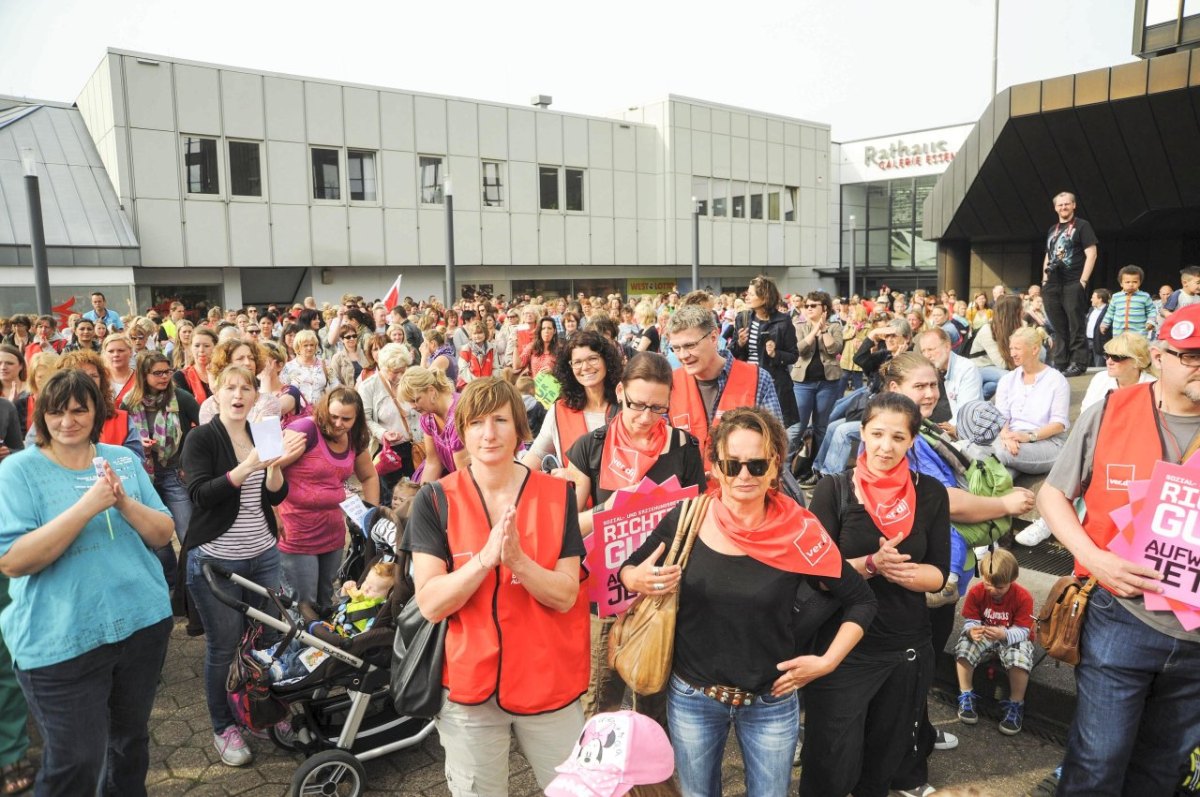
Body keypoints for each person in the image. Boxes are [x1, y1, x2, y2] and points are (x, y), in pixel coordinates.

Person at [612, 405, 874, 794]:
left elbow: (861, 600)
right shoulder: (689, 517)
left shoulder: (800, 530)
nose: (745, 475)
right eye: (733, 465)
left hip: (771, 700)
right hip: (693, 696)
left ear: (774, 466)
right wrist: (640, 578)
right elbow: (628, 569)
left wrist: (826, 662)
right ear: (715, 467)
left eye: (756, 464)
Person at [1036, 302, 1200, 796]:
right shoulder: (1110, 410)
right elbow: (1051, 495)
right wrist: (1098, 558)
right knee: (1097, 765)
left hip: (1195, 639)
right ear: (1158, 355)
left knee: (1161, 773)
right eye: (1190, 355)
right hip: (1121, 616)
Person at [402, 377, 589, 793]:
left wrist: (519, 561)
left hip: (548, 681)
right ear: (462, 432)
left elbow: (565, 594)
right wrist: (485, 560)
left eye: (501, 420)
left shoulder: (558, 497)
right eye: (478, 423)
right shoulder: (434, 500)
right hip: (469, 688)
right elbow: (431, 603)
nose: (489, 434)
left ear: (520, 429)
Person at [0, 368, 174, 795]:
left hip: (141, 626)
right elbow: (13, 561)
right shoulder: (17, 472)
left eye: (80, 410)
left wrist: (123, 501)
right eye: (57, 411)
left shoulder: (122, 459)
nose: (68, 421)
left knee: (129, 744)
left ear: (97, 413)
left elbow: (162, 532)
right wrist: (87, 506)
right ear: (41, 414)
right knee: (76, 763)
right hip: (62, 640)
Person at [801, 392, 950, 797]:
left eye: (898, 438)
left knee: (884, 760)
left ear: (912, 442)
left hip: (906, 646)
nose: (886, 446)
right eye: (878, 434)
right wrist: (870, 565)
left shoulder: (931, 492)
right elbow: (815, 570)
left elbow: (940, 574)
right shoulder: (835, 489)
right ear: (861, 432)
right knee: (829, 760)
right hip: (843, 646)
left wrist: (905, 573)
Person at [561, 352, 704, 726]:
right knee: (599, 706)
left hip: (658, 593)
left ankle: (650, 783)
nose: (645, 417)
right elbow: (564, 527)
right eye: (636, 405)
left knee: (652, 699)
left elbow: (695, 518)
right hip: (603, 594)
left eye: (658, 408)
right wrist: (612, 513)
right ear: (620, 391)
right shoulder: (591, 446)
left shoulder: (683, 447)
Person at [181, 365, 304, 768]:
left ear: (255, 395)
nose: (238, 394)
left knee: (269, 641)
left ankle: (269, 714)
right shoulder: (201, 438)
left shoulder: (261, 431)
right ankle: (223, 725)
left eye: (245, 388)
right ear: (215, 393)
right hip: (216, 561)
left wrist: (272, 467)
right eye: (229, 388)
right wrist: (249, 464)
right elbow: (201, 495)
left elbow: (275, 494)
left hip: (264, 554)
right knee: (224, 645)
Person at [275, 388, 379, 607]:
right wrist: (272, 513)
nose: (338, 423)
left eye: (346, 418)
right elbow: (267, 468)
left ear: (356, 418)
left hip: (331, 530)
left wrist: (372, 517)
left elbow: (369, 476)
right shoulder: (305, 429)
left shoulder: (355, 437)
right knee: (304, 602)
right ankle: (301, 642)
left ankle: (321, 640)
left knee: (325, 597)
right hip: (295, 530)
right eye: (333, 416)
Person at [664, 305, 782, 477]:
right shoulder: (669, 384)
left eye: (690, 345)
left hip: (743, 490)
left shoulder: (758, 379)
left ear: (713, 337)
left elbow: (774, 445)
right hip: (689, 496)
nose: (683, 355)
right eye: (676, 348)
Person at [122, 351, 200, 588]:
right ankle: (170, 584)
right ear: (144, 376)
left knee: (188, 533)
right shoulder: (129, 402)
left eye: (167, 371)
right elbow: (123, 436)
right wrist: (138, 441)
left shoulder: (181, 398)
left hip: (176, 472)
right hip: (144, 475)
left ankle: (192, 585)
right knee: (156, 536)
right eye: (158, 373)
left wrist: (190, 463)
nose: (164, 377)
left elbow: (202, 429)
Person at [953, 548, 1035, 736]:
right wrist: (972, 630)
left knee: (1019, 659)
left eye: (1000, 587)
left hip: (1011, 636)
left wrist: (1004, 634)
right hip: (987, 634)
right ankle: (966, 693)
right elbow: (971, 620)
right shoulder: (977, 592)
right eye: (989, 584)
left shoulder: (1023, 597)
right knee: (964, 647)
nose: (994, 591)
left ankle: (1016, 703)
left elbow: (1024, 630)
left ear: (1011, 581)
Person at [521, 330, 620, 471]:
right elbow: (537, 455)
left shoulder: (627, 407)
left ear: (606, 360)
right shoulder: (559, 411)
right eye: (577, 362)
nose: (585, 367)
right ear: (569, 367)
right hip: (574, 492)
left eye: (593, 358)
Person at [990, 327, 1070, 477]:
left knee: (998, 453)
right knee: (1003, 468)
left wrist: (1028, 436)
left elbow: (1059, 424)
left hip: (1047, 443)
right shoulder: (1007, 380)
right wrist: (1007, 436)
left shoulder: (1056, 380)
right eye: (1011, 348)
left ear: (1034, 350)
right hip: (1012, 440)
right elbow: (1001, 417)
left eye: (1017, 349)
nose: (1012, 353)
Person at [730, 275, 800, 430]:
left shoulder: (783, 321)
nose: (747, 297)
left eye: (752, 294)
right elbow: (734, 353)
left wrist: (775, 354)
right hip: (746, 381)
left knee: (773, 429)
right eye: (747, 293)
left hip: (773, 383)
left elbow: (793, 355)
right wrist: (740, 343)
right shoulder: (743, 318)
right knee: (747, 426)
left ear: (765, 297)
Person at [1041, 191, 1098, 377]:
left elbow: (1092, 253)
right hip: (1053, 283)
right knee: (1058, 325)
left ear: (1074, 205)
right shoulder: (1052, 229)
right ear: (1055, 207)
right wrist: (1044, 280)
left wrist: (1083, 281)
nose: (1063, 207)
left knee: (1075, 324)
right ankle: (1061, 362)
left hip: (1073, 280)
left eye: (1067, 204)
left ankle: (1078, 362)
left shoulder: (1082, 226)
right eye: (1060, 205)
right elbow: (1048, 256)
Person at [361, 343, 423, 497]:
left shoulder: (411, 380)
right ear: (383, 367)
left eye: (404, 370)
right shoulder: (368, 386)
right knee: (392, 497)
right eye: (396, 372)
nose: (401, 376)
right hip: (388, 452)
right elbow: (365, 419)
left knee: (417, 493)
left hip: (416, 446)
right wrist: (383, 433)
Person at [790, 290, 844, 465]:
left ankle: (819, 467)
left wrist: (824, 330)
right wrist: (814, 330)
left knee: (822, 427)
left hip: (828, 384)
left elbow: (834, 349)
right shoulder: (798, 325)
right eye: (807, 306)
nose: (808, 308)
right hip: (802, 384)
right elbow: (799, 349)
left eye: (813, 305)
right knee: (797, 427)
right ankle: (786, 468)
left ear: (825, 308)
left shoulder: (835, 326)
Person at [398, 366, 467, 483]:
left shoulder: (460, 413)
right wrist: (422, 497)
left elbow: (465, 473)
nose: (412, 406)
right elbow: (433, 462)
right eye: (409, 402)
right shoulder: (428, 418)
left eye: (415, 400)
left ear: (431, 391)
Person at [917, 328, 982, 437]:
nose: (927, 355)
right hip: (931, 430)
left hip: (958, 435)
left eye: (931, 349)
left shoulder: (966, 369)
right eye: (923, 351)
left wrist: (940, 433)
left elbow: (965, 415)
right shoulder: (927, 370)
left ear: (947, 347)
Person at [1079, 332, 1158, 413]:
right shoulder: (1099, 379)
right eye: (1107, 355)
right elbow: (1085, 414)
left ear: (1137, 362)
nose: (1109, 362)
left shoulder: (1154, 388)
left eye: (1116, 357)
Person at [1100, 264, 1155, 339]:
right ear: (1121, 283)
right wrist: (1104, 324)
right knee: (1119, 351)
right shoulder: (1116, 297)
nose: (1131, 284)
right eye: (1127, 282)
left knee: (1137, 351)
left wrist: (1151, 322)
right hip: (1119, 334)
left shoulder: (1145, 296)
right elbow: (1110, 312)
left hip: (1138, 335)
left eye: (1135, 282)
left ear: (1140, 282)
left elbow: (1152, 311)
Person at [280, 329, 333, 406]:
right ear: (298, 347)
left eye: (312, 345)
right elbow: (283, 392)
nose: (309, 348)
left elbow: (335, 387)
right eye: (305, 345)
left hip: (321, 411)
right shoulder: (288, 367)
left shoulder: (325, 364)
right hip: (298, 413)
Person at [173, 327, 218, 403]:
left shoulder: (225, 373)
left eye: (206, 346)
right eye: (197, 346)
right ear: (190, 348)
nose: (201, 350)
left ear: (215, 347)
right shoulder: (180, 377)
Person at [0, 346, 29, 434]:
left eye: (9, 363)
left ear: (21, 366)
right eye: (0, 363)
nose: (3, 367)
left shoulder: (32, 390)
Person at [1085, 289, 1112, 367]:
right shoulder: (1091, 310)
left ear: (1100, 299)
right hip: (1088, 341)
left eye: (1093, 297)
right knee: (1088, 365)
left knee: (1099, 366)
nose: (1091, 299)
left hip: (1100, 342)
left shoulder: (1109, 310)